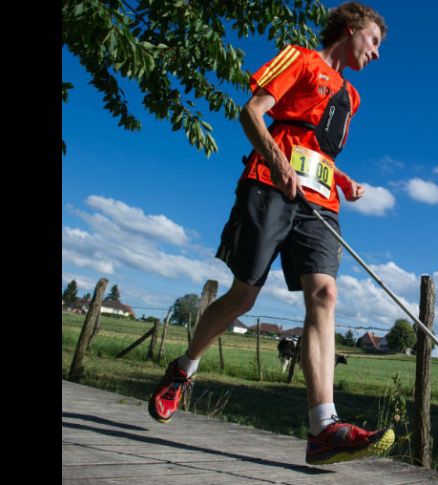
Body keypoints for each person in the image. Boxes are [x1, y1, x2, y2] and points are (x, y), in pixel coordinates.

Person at [148, 2, 392, 465]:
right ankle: (184, 368)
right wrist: (279, 165)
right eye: (375, 41)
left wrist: (342, 181)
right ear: (351, 28)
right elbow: (252, 113)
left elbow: (317, 150)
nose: (377, 53)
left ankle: (323, 428)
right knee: (244, 297)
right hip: (269, 185)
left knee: (324, 294)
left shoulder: (352, 98)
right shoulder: (299, 57)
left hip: (320, 203)